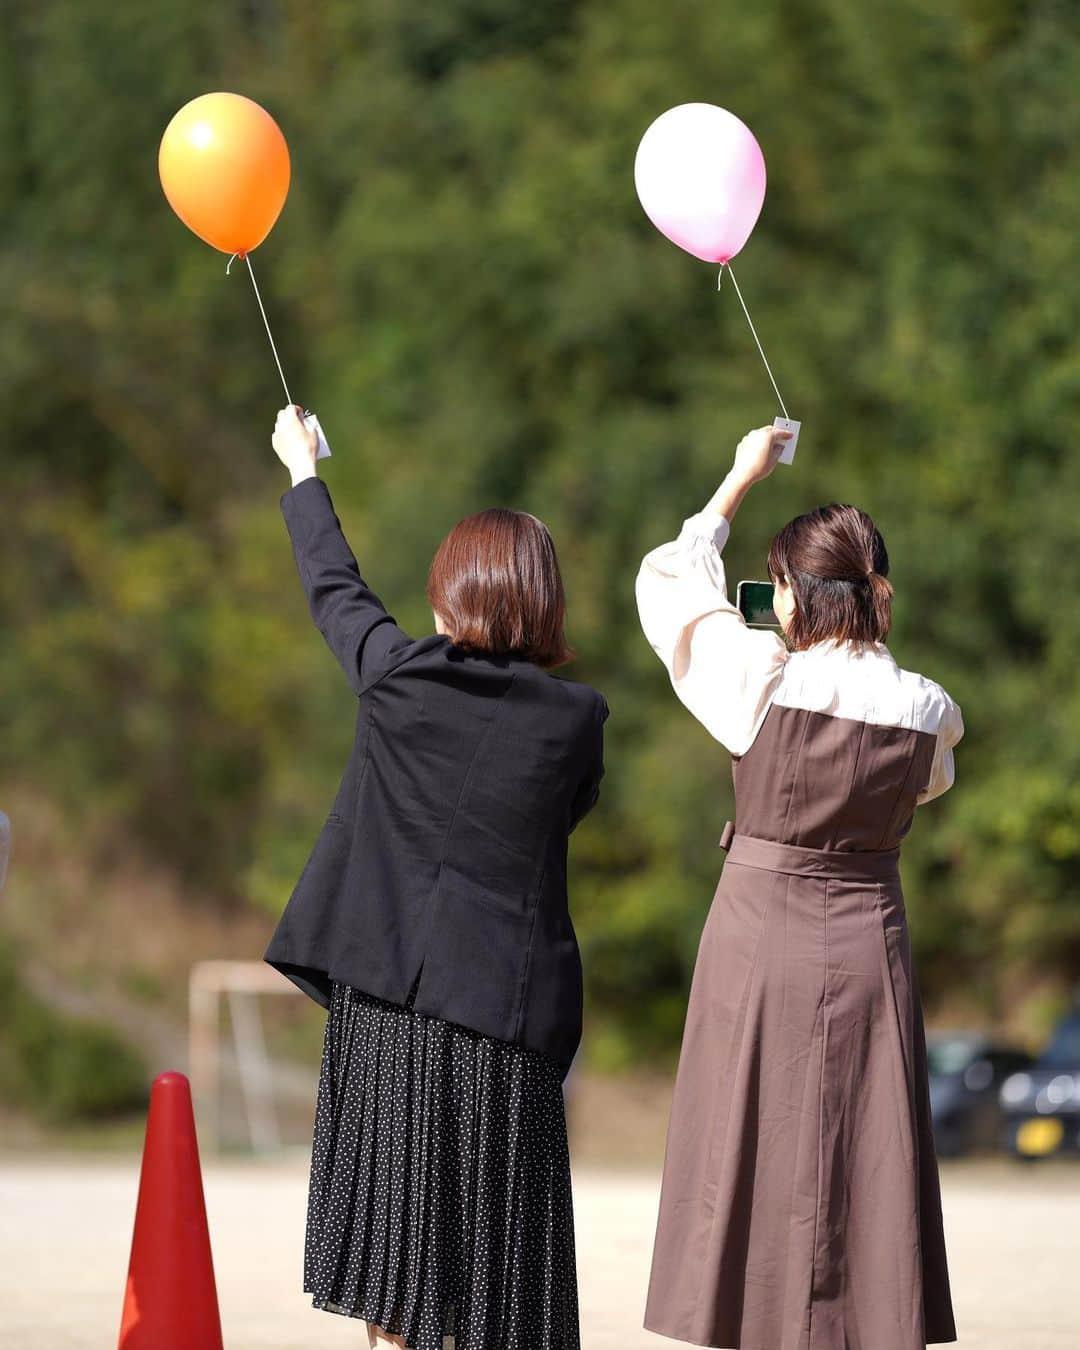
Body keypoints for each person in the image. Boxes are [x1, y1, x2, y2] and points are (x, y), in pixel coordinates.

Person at [263, 405, 608, 1350]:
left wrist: (304, 471)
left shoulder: (397, 677)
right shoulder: (576, 720)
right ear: (545, 603)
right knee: (497, 1288)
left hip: (388, 1012)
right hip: (503, 1020)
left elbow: (334, 585)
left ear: (450, 592)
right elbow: (562, 818)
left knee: (395, 1274)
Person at [635, 425, 963, 1350]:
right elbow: (931, 783)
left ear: (799, 594)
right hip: (869, 936)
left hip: (758, 935)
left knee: (752, 1139)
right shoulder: (931, 707)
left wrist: (738, 477)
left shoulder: (758, 680)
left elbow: (667, 582)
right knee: (865, 1152)